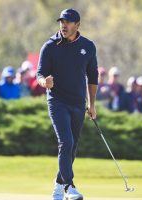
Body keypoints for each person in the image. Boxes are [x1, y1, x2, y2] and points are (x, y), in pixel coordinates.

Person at [37, 8, 98, 200]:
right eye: (61, 21)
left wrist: (92, 104)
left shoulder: (88, 46)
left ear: (77, 25)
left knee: (72, 147)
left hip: (78, 103)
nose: (63, 25)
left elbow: (93, 77)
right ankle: (69, 187)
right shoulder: (50, 46)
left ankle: (58, 185)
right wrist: (43, 82)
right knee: (66, 141)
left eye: (68, 22)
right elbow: (39, 73)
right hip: (57, 101)